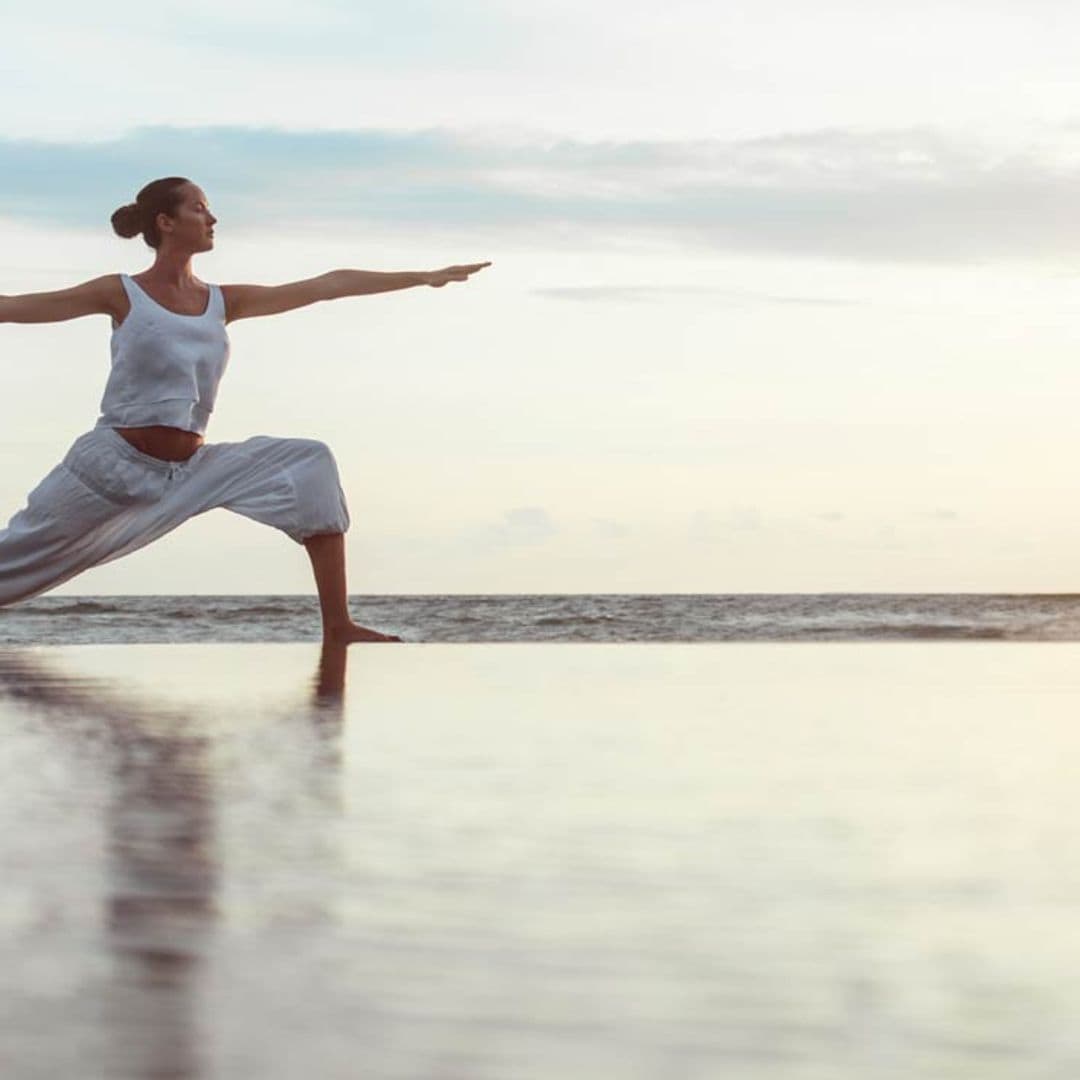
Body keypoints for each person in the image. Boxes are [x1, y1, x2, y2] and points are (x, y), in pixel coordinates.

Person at [0, 176, 491, 643]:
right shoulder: (120, 292)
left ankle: (339, 624)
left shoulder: (221, 301)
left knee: (309, 461)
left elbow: (327, 284)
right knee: (12, 566)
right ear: (166, 223)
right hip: (110, 468)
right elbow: (14, 307)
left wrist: (421, 277)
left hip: (190, 470)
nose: (212, 218)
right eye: (199, 207)